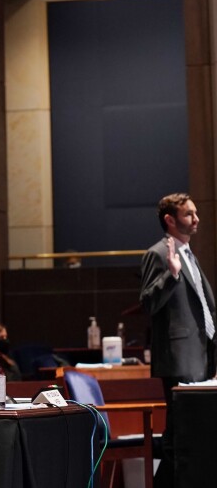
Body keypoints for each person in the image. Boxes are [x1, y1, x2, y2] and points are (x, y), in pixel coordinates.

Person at [140, 193, 216, 488]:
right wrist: (170, 275)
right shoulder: (158, 254)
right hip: (179, 356)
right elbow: (148, 303)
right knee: (180, 434)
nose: (196, 219)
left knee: (186, 433)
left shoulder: (189, 253)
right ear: (170, 220)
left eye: (196, 213)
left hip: (201, 354)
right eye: (189, 214)